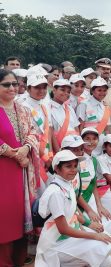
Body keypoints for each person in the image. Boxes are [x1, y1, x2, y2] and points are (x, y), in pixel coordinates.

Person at [35, 150, 111, 266]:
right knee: (104, 247)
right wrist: (94, 235)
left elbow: (71, 214)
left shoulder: (67, 184)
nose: (73, 170)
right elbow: (63, 229)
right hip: (56, 244)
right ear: (57, 169)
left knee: (106, 258)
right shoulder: (55, 192)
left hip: (68, 238)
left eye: (75, 166)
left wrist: (88, 225)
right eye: (68, 166)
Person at [0, 69, 39, 266]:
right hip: (3, 172)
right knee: (4, 215)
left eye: (15, 84)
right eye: (6, 84)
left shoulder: (22, 109)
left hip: (22, 172)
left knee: (20, 214)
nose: (12, 88)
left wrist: (26, 148)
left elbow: (34, 131)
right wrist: (15, 155)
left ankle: (19, 257)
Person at [80, 128, 111, 235]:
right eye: (87, 139)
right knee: (99, 232)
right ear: (82, 140)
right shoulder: (77, 160)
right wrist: (89, 210)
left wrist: (99, 206)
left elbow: (93, 185)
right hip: (80, 201)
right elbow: (75, 191)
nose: (91, 142)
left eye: (94, 139)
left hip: (90, 198)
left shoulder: (93, 160)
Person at [23, 73, 54, 186]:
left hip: (45, 154)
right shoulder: (23, 107)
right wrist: (44, 156)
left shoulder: (44, 107)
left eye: (44, 87)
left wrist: (49, 154)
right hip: (32, 154)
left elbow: (48, 132)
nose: (41, 90)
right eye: (37, 87)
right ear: (28, 89)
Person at [49, 79, 79, 153]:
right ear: (54, 90)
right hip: (59, 148)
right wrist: (58, 151)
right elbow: (51, 133)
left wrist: (79, 147)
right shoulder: (47, 107)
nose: (66, 93)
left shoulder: (69, 108)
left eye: (68, 92)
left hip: (74, 147)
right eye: (62, 90)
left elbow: (76, 129)